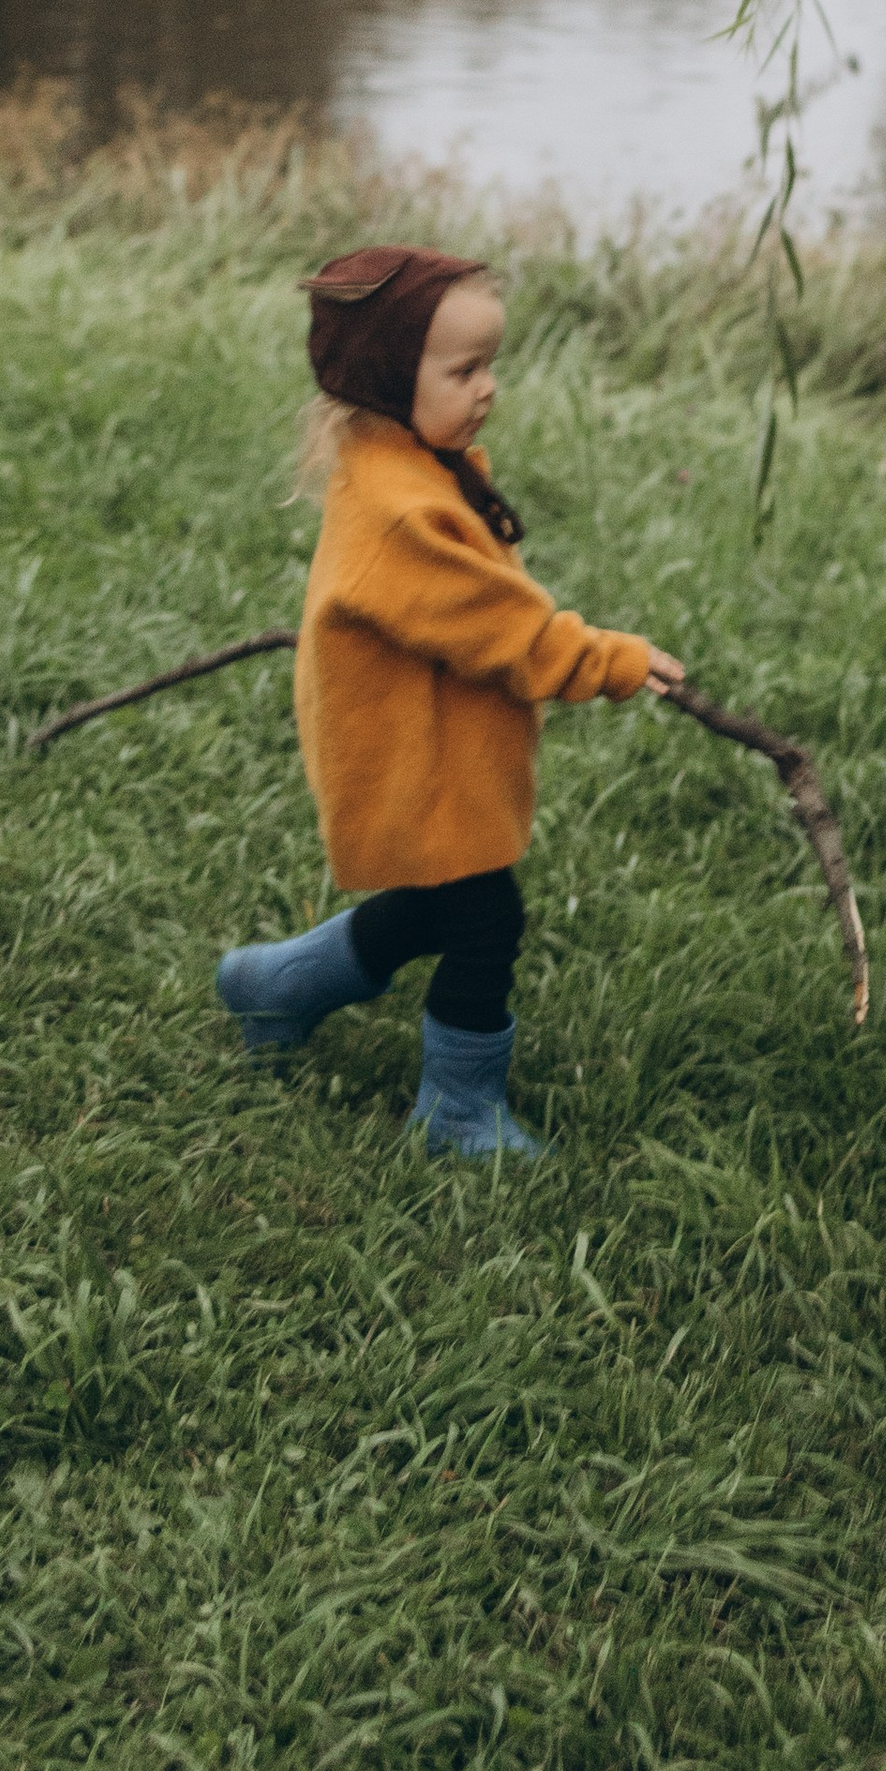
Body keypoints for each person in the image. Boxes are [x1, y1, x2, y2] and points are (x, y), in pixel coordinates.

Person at [213, 246, 683, 1157]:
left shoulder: (408, 462)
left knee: (440, 906)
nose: (489, 388)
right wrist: (608, 660)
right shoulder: (405, 511)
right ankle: (458, 1110)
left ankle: (275, 984)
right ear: (393, 377)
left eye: (489, 365)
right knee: (484, 920)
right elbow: (505, 628)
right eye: (465, 370)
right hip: (417, 754)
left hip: (433, 738)